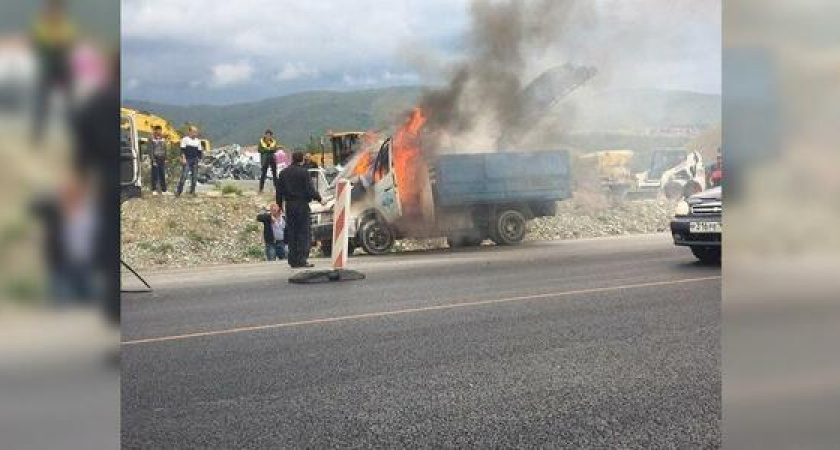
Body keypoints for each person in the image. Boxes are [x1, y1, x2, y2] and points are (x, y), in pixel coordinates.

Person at [30, 0, 77, 142]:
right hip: (48, 63)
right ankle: (38, 133)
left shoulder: (66, 23)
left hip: (62, 62)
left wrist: (58, 41)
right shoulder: (42, 23)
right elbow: (37, 40)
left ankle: (74, 131)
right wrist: (55, 41)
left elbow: (70, 40)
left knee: (70, 99)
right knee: (42, 100)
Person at [276, 152, 323, 268]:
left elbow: (279, 192)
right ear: (302, 160)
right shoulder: (304, 172)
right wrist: (319, 199)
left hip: (289, 206)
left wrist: (279, 206)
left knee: (292, 232)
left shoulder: (283, 173)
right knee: (303, 232)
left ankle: (292, 260)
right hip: (301, 204)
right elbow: (310, 190)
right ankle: (302, 259)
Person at [176, 126, 203, 196]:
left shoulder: (198, 141)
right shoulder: (185, 139)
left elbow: (199, 152)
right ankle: (179, 191)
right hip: (187, 159)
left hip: (195, 160)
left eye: (196, 132)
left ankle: (192, 191)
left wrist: (200, 161)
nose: (195, 133)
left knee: (194, 177)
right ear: (189, 132)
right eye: (194, 132)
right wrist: (183, 158)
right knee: (184, 176)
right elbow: (182, 150)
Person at [148, 125, 168, 195]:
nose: (160, 132)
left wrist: (166, 158)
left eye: (160, 130)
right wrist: (153, 160)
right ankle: (154, 189)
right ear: (155, 131)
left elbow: (165, 149)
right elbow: (150, 150)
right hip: (155, 158)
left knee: (162, 174)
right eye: (158, 130)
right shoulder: (151, 138)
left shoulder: (163, 138)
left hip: (162, 157)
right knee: (155, 174)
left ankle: (164, 190)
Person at [258, 129, 279, 193]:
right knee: (263, 174)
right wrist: (266, 150)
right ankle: (261, 189)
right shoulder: (261, 141)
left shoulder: (273, 141)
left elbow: (275, 149)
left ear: (271, 136)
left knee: (274, 174)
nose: (268, 136)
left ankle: (276, 188)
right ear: (265, 135)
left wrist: (271, 149)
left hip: (272, 158)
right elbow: (259, 150)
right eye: (267, 135)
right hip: (265, 159)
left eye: (269, 135)